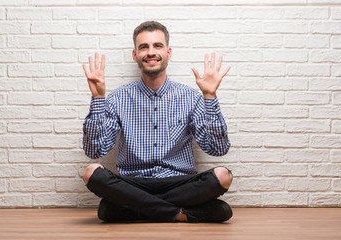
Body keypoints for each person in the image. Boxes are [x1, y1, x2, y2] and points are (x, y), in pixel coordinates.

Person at [81, 21, 233, 223]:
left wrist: (210, 97)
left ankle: (137, 208)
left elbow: (218, 148)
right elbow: (95, 151)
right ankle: (176, 213)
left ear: (168, 52)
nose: (150, 52)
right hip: (133, 183)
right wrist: (98, 99)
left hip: (179, 182)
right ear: (135, 55)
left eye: (157, 46)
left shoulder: (191, 97)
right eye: (144, 47)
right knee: (92, 173)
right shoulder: (117, 99)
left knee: (223, 176)